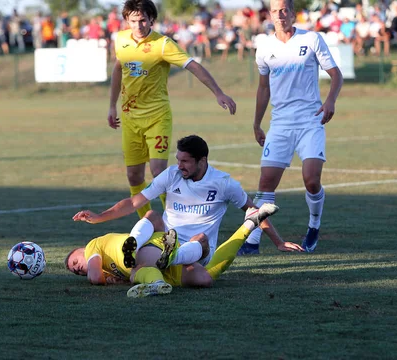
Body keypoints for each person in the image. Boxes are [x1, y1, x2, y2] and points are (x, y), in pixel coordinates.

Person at [72, 135, 303, 294]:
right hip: (164, 239)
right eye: (178, 160)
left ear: (202, 161)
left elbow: (253, 210)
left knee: (202, 254)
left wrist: (278, 242)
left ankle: (169, 257)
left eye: (185, 161)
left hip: (197, 250)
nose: (179, 165)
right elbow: (134, 202)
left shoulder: (223, 184)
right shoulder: (171, 175)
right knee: (152, 214)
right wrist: (99, 217)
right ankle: (137, 246)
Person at [107, 0, 237, 220]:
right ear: (127, 20)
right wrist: (111, 105)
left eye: (143, 20)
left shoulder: (163, 44)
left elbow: (193, 65)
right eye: (133, 21)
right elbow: (119, 69)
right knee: (133, 176)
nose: (138, 25)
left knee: (159, 173)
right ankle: (147, 224)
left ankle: (176, 222)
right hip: (130, 119)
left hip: (157, 117)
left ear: (151, 20)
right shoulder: (120, 40)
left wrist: (218, 92)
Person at [237, 0, 343, 255]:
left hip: (310, 121)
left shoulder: (312, 39)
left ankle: (314, 226)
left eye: (285, 10)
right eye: (275, 11)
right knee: (265, 185)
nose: (280, 14)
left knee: (311, 180)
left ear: (293, 14)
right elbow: (263, 88)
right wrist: (256, 123)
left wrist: (330, 101)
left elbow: (336, 74)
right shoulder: (263, 47)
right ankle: (251, 243)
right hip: (280, 124)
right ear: (270, 15)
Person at [66, 201, 281, 298]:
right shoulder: (112, 270)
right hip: (162, 255)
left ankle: (150, 260)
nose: (78, 268)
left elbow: (95, 278)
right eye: (75, 271)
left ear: (81, 249)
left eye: (74, 262)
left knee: (150, 222)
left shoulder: (93, 246)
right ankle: (250, 223)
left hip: (149, 247)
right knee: (205, 278)